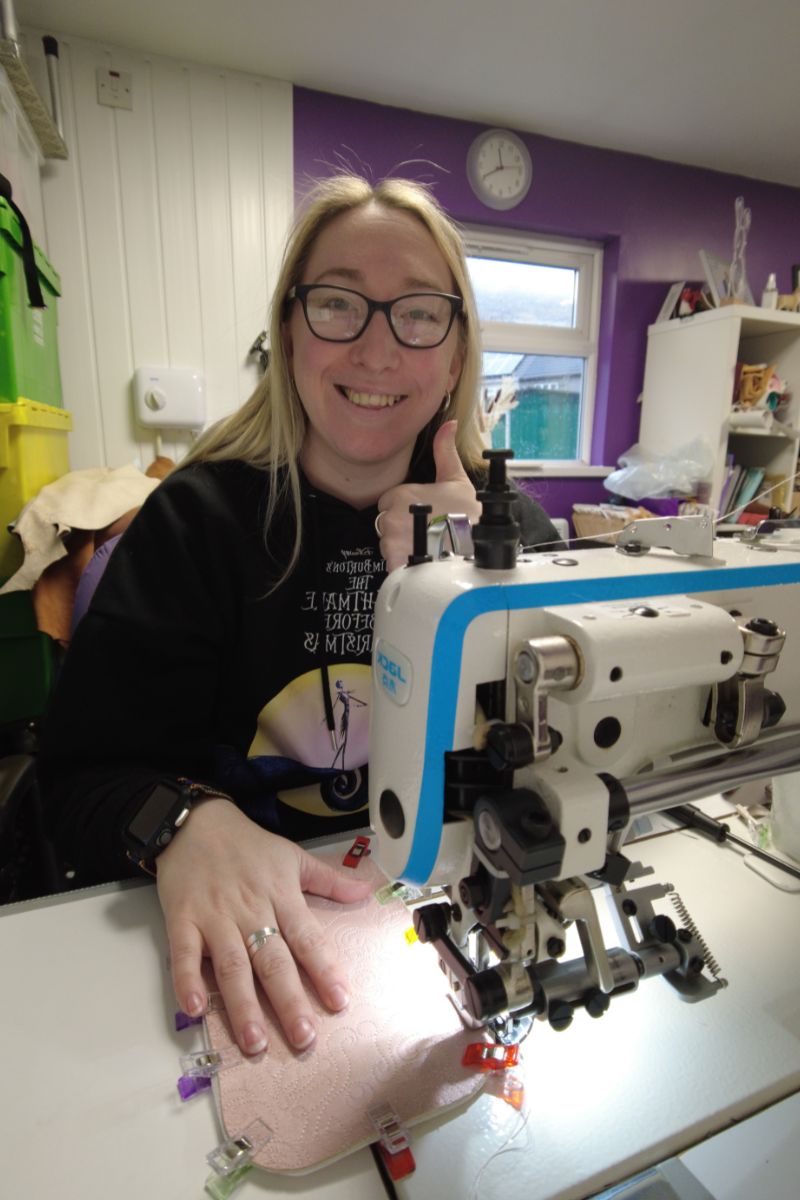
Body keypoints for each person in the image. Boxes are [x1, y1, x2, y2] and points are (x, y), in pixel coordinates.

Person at [40, 173, 563, 1059]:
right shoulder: (197, 522)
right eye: (337, 305)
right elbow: (74, 782)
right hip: (237, 938)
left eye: (418, 314)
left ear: (455, 349)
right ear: (289, 328)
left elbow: (557, 761)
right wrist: (183, 825)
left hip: (418, 917)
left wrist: (483, 592)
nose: (377, 350)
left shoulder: (516, 534)